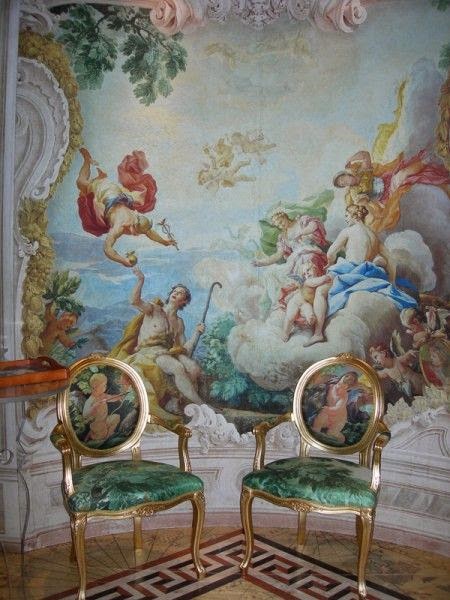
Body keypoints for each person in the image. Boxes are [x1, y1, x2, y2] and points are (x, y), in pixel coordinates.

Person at [303, 204, 417, 347]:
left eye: (347, 216)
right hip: (368, 273)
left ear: (354, 216)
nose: (346, 219)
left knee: (320, 291)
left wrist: (330, 263)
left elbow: (331, 252)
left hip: (351, 270)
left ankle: (318, 333)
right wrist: (392, 281)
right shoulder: (373, 236)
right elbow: (391, 261)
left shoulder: (348, 231)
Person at [111, 268, 205, 416]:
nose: (176, 293)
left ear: (184, 301)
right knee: (177, 367)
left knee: (194, 368)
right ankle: (202, 405)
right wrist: (141, 280)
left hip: (166, 352)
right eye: (175, 290)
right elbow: (134, 301)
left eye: (180, 293)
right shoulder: (154, 309)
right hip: (147, 352)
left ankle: (177, 400)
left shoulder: (179, 322)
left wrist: (196, 333)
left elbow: (185, 349)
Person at [76, 148, 177, 267]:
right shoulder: (119, 226)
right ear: (134, 229)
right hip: (104, 191)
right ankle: (87, 160)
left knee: (86, 186)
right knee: (80, 182)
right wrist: (122, 260)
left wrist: (164, 242)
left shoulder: (135, 218)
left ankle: (98, 175)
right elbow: (107, 249)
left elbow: (149, 232)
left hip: (115, 193)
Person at [333, 149, 450, 232]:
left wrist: (350, 159)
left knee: (402, 170)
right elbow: (364, 202)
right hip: (386, 196)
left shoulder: (361, 172)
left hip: (387, 179)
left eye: (343, 179)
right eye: (342, 184)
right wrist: (364, 201)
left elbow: (365, 155)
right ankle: (427, 161)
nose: (345, 182)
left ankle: (429, 160)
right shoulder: (354, 193)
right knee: (402, 175)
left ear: (345, 174)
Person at [278, 258, 332, 342]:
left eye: (308, 270)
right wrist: (325, 278)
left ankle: (310, 318)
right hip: (297, 301)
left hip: (306, 302)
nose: (307, 274)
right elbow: (316, 281)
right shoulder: (308, 281)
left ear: (314, 267)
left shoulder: (316, 278)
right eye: (305, 274)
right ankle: (285, 332)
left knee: (308, 310)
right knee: (290, 317)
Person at [82, 373, 122, 442]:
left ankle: (108, 436)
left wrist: (118, 397)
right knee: (101, 435)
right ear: (95, 387)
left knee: (116, 417)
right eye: (103, 385)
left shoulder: (103, 395)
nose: (105, 387)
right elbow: (85, 415)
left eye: (105, 385)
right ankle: (92, 435)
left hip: (104, 420)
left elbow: (111, 398)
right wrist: (94, 407)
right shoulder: (91, 400)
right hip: (97, 424)